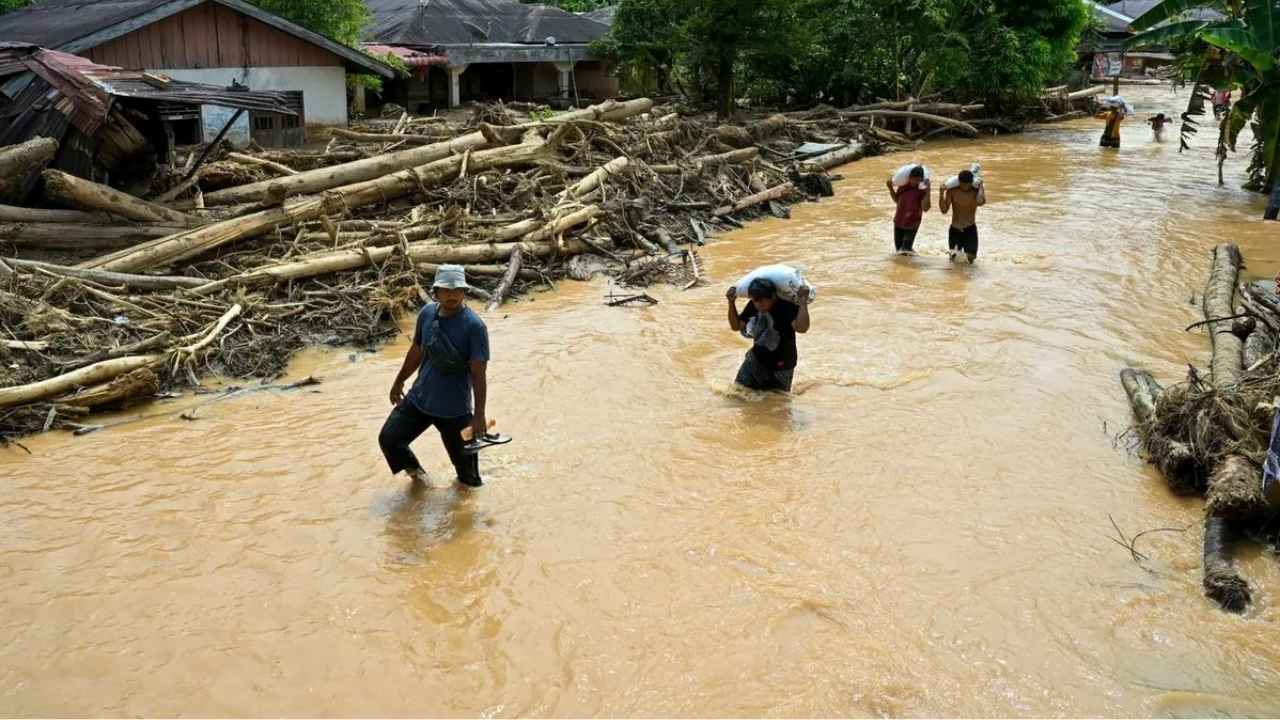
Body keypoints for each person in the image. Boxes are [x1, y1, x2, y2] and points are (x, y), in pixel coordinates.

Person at [379, 264, 490, 487]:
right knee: (389, 440)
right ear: (436, 291)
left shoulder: (474, 327)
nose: (452, 295)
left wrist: (478, 416)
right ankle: (420, 481)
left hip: (455, 410)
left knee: (469, 481)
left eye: (457, 290)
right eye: (447, 290)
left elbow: (479, 374)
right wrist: (399, 380)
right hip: (420, 399)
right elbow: (417, 350)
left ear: (464, 292)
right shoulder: (427, 314)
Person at [726, 277, 810, 392]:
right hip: (756, 359)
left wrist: (803, 301)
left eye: (763, 300)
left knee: (778, 403)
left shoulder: (786, 307)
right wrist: (731, 303)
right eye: (756, 300)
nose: (759, 304)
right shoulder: (753, 304)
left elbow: (802, 328)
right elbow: (736, 326)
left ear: (773, 296)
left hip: (782, 366)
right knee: (737, 393)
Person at [939, 170, 986, 264]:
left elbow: (980, 202)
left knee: (971, 258)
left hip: (970, 228)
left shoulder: (975, 191)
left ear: (971, 183)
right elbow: (944, 210)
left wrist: (981, 187)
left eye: (968, 185)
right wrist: (941, 193)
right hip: (955, 229)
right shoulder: (952, 191)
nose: (965, 187)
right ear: (959, 182)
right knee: (954, 259)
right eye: (963, 184)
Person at [885, 166, 931, 255]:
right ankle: (914, 259)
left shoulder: (922, 190)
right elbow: (897, 201)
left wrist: (928, 191)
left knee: (905, 249)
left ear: (921, 180)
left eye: (918, 180)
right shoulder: (903, 187)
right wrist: (890, 188)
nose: (915, 182)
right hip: (898, 221)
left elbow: (926, 208)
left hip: (912, 224)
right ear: (909, 177)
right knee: (899, 251)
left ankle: (912, 263)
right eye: (913, 179)